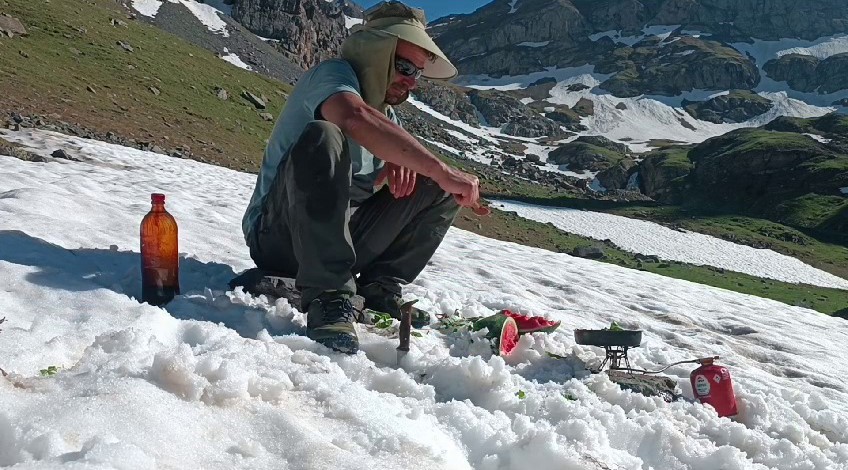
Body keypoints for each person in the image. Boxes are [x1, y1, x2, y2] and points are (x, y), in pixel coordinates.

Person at [240, 1, 484, 354]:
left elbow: (382, 142)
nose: (410, 81)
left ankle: (378, 289)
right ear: (376, 53)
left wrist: (412, 164)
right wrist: (434, 167)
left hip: (339, 241)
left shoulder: (386, 117)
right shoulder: (332, 76)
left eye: (416, 72)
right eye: (403, 66)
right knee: (324, 134)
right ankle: (329, 297)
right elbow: (351, 117)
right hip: (277, 235)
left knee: (438, 187)